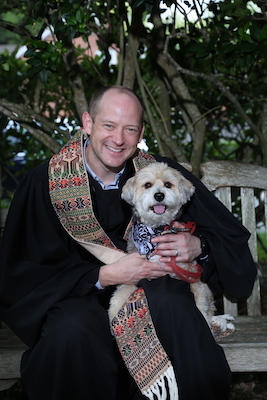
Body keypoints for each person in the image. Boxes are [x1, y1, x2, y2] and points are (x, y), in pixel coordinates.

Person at [0, 85, 257, 400]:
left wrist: (198, 245)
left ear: (141, 132)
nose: (118, 139)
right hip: (75, 300)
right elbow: (23, 269)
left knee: (172, 306)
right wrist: (104, 276)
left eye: (129, 129)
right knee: (71, 330)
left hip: (156, 293)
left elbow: (228, 235)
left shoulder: (160, 175)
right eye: (108, 125)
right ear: (88, 123)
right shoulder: (45, 184)